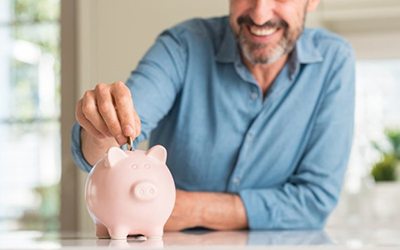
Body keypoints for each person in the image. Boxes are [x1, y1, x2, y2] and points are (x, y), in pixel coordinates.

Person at [71, 0, 355, 231]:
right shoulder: (182, 45)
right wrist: (101, 127)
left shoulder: (333, 61)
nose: (259, 14)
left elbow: (314, 202)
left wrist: (190, 209)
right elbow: (110, 147)